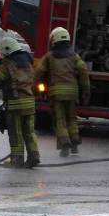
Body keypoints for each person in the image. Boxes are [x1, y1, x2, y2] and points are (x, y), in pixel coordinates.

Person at [35, 27, 90, 157]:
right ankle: (75, 142)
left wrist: (33, 88)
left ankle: (65, 144)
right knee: (71, 118)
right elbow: (83, 70)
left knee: (60, 119)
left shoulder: (49, 57)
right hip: (72, 93)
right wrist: (86, 89)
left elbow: (39, 73)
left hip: (56, 94)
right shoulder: (74, 56)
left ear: (53, 40)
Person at [0, 37, 40, 168]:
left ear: (6, 50)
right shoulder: (28, 61)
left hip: (15, 103)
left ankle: (17, 160)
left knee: (15, 133)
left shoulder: (7, 63)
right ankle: (34, 156)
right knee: (29, 132)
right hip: (30, 102)